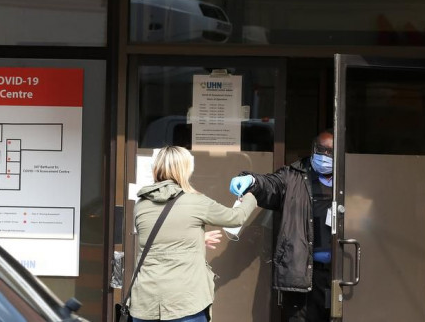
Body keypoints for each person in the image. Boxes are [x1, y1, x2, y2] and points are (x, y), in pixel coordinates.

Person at [129, 145, 257, 322]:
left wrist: (197, 238)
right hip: (184, 303)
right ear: (185, 169)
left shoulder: (141, 205)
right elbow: (236, 218)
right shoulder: (196, 202)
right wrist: (251, 195)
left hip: (145, 301)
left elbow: (159, 239)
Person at [229, 129, 335, 322]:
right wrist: (251, 180)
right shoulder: (294, 176)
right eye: (321, 149)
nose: (325, 156)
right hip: (301, 273)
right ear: (313, 148)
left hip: (338, 274)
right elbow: (270, 184)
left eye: (331, 152)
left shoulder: (347, 181)